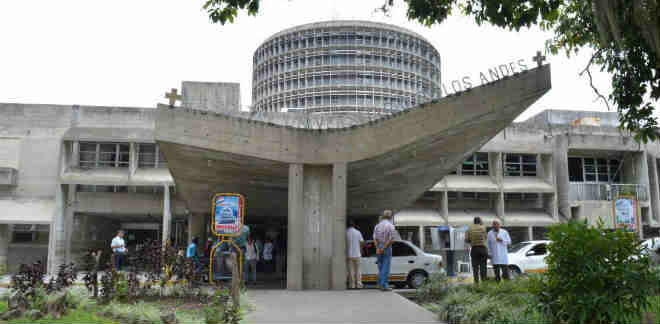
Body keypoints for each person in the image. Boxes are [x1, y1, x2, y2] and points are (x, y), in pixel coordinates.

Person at [373, 210, 395, 291]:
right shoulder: (391, 226)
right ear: (391, 217)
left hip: (378, 246)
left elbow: (374, 238)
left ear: (383, 216)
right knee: (386, 267)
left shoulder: (377, 226)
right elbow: (391, 239)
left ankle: (379, 284)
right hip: (386, 247)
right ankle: (384, 285)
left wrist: (378, 248)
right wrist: (383, 248)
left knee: (380, 267)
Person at [465, 217, 488, 284]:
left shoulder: (469, 229)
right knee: (483, 266)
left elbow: (466, 240)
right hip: (482, 248)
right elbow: (485, 237)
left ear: (474, 222)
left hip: (474, 249)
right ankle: (484, 282)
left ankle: (476, 283)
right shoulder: (483, 228)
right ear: (480, 221)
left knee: (475, 267)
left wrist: (471, 241)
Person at [346, 219, 365, 289]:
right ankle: (359, 284)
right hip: (357, 254)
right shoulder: (358, 232)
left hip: (349, 255)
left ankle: (352, 285)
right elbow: (362, 242)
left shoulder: (346, 232)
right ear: (354, 225)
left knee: (351, 271)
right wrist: (361, 250)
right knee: (358, 270)